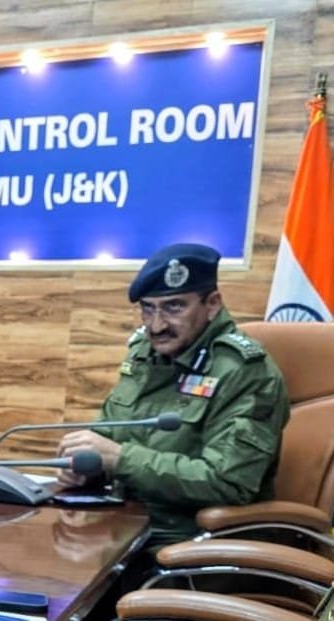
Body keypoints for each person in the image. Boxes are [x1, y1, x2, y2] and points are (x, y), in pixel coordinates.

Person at [56, 243, 289, 579]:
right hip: (123, 531)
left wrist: (120, 459)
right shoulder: (145, 352)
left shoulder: (245, 372)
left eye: (173, 307)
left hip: (193, 546)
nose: (156, 326)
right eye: (147, 309)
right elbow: (108, 436)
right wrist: (87, 467)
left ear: (212, 304)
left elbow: (226, 483)